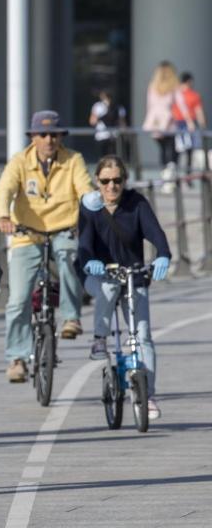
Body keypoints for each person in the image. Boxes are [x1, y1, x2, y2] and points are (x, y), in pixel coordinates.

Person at [0, 110, 93, 382]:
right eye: (43, 134)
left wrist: (91, 211)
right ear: (33, 137)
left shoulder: (73, 160)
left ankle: (71, 317)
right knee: (18, 299)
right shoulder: (20, 161)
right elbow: (4, 189)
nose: (49, 139)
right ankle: (16, 357)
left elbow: (85, 189)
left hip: (63, 228)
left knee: (69, 255)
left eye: (54, 134)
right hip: (28, 233)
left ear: (61, 136)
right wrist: (3, 215)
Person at [77, 156, 171, 420]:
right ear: (97, 181)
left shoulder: (136, 203)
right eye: (105, 181)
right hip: (98, 274)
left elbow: (156, 233)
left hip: (133, 274)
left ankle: (148, 395)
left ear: (124, 181)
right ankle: (99, 338)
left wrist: (163, 254)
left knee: (143, 336)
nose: (111, 186)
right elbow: (83, 245)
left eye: (117, 180)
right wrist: (90, 262)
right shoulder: (89, 206)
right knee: (107, 290)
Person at [142, 61, 179, 173]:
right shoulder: (174, 87)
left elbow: (149, 105)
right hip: (170, 122)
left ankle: (165, 174)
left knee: (163, 150)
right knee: (172, 150)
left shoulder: (153, 86)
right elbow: (179, 105)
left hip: (156, 122)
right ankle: (170, 175)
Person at [171, 72, 206, 173]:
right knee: (189, 151)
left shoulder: (175, 95)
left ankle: (175, 174)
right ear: (189, 81)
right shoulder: (194, 95)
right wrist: (202, 125)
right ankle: (188, 175)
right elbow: (198, 111)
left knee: (176, 152)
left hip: (176, 124)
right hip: (189, 124)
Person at [89, 89, 127, 160]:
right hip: (101, 136)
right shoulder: (98, 107)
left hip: (114, 137)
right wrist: (103, 117)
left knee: (113, 159)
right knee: (102, 159)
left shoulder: (118, 108)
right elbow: (92, 121)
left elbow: (122, 124)